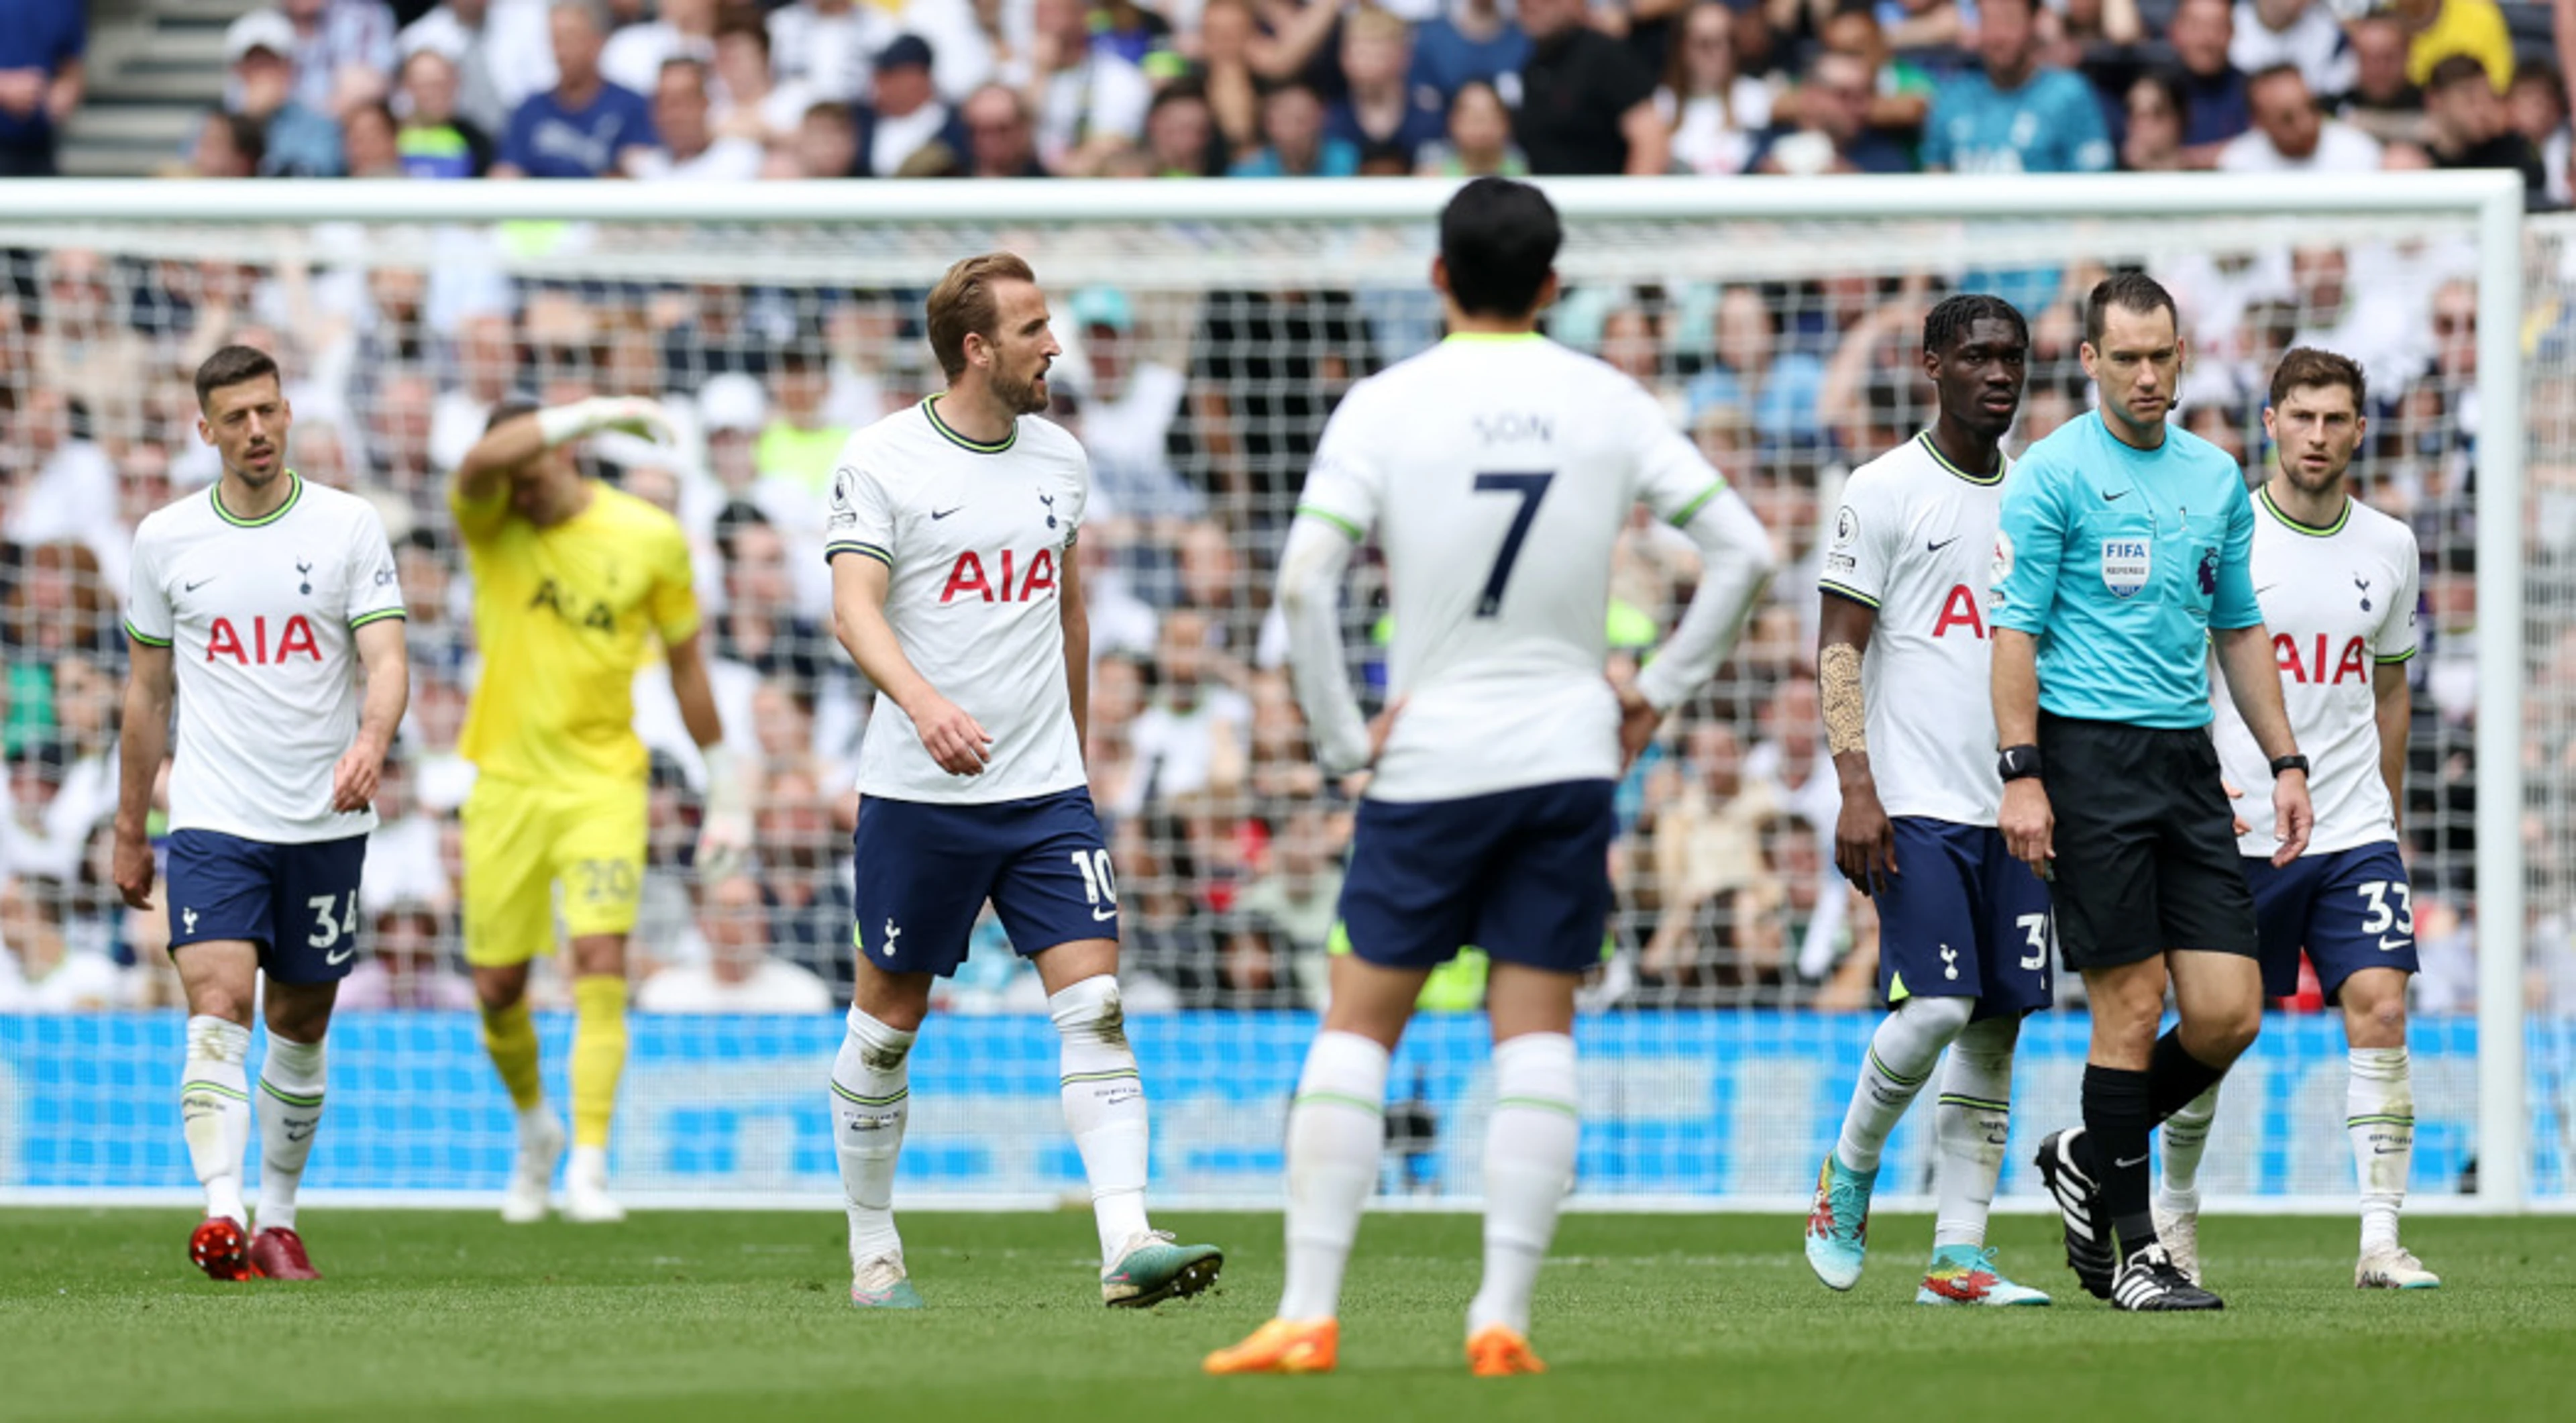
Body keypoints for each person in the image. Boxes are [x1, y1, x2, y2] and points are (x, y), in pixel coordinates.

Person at [1205, 177, 1776, 1377]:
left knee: (1361, 1023)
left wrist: (1343, 746)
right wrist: (1657, 689)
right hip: (1569, 751)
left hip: (1430, 756)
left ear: (1438, 278)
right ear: (1556, 285)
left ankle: (1309, 1310)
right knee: (1536, 1032)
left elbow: (1306, 585)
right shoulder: (1607, 400)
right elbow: (1745, 550)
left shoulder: (1387, 403)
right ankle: (1500, 1314)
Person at [821, 253, 1222, 1310]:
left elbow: (1069, 612)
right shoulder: (883, 459)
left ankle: (1127, 1242)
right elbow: (853, 608)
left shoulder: (1060, 458)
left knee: (1095, 1005)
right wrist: (925, 704)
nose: (1057, 344)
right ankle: (874, 1249)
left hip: (1044, 795)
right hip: (919, 791)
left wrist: (1076, 759)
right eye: (1036, 327)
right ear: (976, 348)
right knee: (887, 1024)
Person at [1990, 272, 2314, 1312]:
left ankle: (2090, 1148)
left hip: (2185, 764)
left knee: (2227, 1014)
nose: (2146, 376)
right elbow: (2016, 635)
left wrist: (2287, 758)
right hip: (2087, 763)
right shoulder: (2052, 475)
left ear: (2182, 355)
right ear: (2088, 362)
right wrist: (2023, 772)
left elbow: (2239, 628)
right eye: (2125, 357)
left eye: (2161, 356)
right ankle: (2139, 1257)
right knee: (2128, 1010)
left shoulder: (2215, 476)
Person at [113, 345, 411, 1283]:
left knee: (301, 1023)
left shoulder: (348, 525)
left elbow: (389, 659)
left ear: (288, 415)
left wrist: (371, 741)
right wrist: (130, 829)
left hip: (323, 819)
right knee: (218, 1004)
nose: (256, 431)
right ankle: (223, 1211)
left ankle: (278, 1216)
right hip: (213, 818)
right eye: (236, 417)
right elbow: (145, 696)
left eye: (269, 412)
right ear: (205, 430)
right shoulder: (165, 540)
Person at [2153, 348, 2439, 1292]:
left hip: (2352, 828)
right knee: (2213, 1031)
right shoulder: (2222, 537)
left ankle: (2380, 1239)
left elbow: (2388, 686)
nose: (2318, 436)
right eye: (2301, 417)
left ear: (2361, 429)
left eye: (2336, 419)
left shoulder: (2391, 547)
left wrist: (2385, 811)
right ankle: (2174, 1222)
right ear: (2270, 423)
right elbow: (2177, 680)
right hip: (2235, 828)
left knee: (2383, 1006)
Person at [1803, 295, 2053, 1309]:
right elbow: (1836, 647)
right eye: (1978, 357)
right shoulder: (1886, 487)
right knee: (1939, 1005)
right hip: (1912, 800)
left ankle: (1959, 1255)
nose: (1999, 374)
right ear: (1932, 365)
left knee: (1995, 1026)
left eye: (2013, 358)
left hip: (2015, 807)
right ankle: (1847, 1173)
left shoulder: (2040, 498)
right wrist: (1855, 784)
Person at [448, 390, 745, 1224]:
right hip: (504, 786)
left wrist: (726, 786)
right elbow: (477, 467)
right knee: (498, 986)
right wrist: (604, 409)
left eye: (528, 472)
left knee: (599, 967)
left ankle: (588, 1164)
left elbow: (688, 667)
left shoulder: (649, 537)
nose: (518, 490)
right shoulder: (491, 520)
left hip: (605, 783)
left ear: (563, 457)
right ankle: (536, 1128)